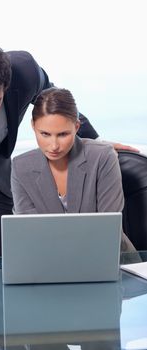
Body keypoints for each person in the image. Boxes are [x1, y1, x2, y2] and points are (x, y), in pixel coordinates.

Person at [0, 44, 136, 267]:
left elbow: (57, 105)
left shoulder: (26, 70)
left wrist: (94, 142)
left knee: (18, 259)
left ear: (7, 86)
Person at [11, 87, 136, 252]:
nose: (54, 146)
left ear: (77, 127)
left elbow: (107, 226)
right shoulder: (21, 167)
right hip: (48, 260)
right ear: (33, 126)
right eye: (45, 134)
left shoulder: (103, 157)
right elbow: (30, 232)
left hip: (108, 255)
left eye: (63, 134)